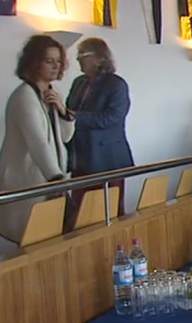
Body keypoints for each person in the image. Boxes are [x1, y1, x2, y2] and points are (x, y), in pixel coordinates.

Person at [0, 35, 74, 244]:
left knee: (52, 238)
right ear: (34, 62)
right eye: (49, 61)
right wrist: (56, 181)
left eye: (58, 61)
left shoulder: (52, 92)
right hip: (30, 179)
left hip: (50, 179)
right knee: (32, 240)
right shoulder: (24, 96)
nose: (55, 66)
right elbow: (38, 143)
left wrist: (63, 111)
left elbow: (66, 136)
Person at [65, 37, 133, 218]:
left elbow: (112, 117)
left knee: (110, 211)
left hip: (107, 160)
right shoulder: (79, 82)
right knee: (80, 212)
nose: (78, 58)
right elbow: (69, 110)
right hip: (81, 156)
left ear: (100, 58)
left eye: (83, 54)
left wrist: (76, 116)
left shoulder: (116, 84)